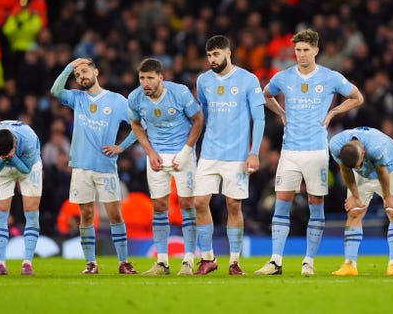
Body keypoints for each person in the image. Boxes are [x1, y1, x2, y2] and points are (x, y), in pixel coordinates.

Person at [254, 28, 364, 276]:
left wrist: (333, 113)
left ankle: (309, 261)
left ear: (316, 50)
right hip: (290, 151)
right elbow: (266, 94)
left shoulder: (330, 77)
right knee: (281, 202)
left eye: (306, 50)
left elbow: (357, 97)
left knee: (316, 203)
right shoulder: (283, 77)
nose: (301, 54)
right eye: (298, 50)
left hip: (316, 151)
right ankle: (276, 261)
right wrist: (281, 113)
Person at [50, 57, 138, 274]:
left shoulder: (117, 101)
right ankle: (91, 263)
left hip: (106, 167)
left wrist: (121, 147)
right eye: (77, 75)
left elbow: (138, 125)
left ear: (96, 72)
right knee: (86, 214)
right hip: (80, 166)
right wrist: (69, 67)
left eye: (84, 71)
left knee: (115, 214)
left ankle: (123, 262)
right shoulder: (77, 98)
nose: (81, 76)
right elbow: (55, 91)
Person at [193, 35, 265, 276]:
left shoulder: (248, 79)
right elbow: (202, 115)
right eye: (209, 55)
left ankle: (234, 262)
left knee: (233, 205)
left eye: (216, 54)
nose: (212, 59)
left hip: (236, 155)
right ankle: (207, 258)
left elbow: (260, 118)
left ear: (227, 53)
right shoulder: (203, 80)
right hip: (210, 152)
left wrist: (254, 152)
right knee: (199, 202)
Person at [128, 58, 204, 276]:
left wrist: (186, 152)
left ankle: (188, 260)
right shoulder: (135, 98)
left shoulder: (179, 93)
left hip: (183, 154)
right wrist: (150, 152)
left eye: (150, 77)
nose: (145, 83)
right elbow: (135, 124)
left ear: (161, 77)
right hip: (157, 157)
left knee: (187, 203)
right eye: (142, 78)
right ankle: (162, 262)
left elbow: (198, 119)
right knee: (159, 205)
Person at [328, 127, 393, 276]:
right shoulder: (336, 145)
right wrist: (355, 197)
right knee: (354, 212)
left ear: (363, 152)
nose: (359, 166)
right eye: (356, 166)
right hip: (361, 176)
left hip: (389, 170)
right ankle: (349, 264)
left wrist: (387, 196)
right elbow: (345, 170)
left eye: (359, 163)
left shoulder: (377, 147)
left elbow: (381, 171)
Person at [0, 120, 42, 276]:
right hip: (2, 167)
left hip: (29, 164)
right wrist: (2, 158)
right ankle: (0, 264)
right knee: (0, 213)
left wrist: (11, 157)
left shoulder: (28, 139)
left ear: (15, 142)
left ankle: (27, 263)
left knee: (31, 210)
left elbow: (26, 169)